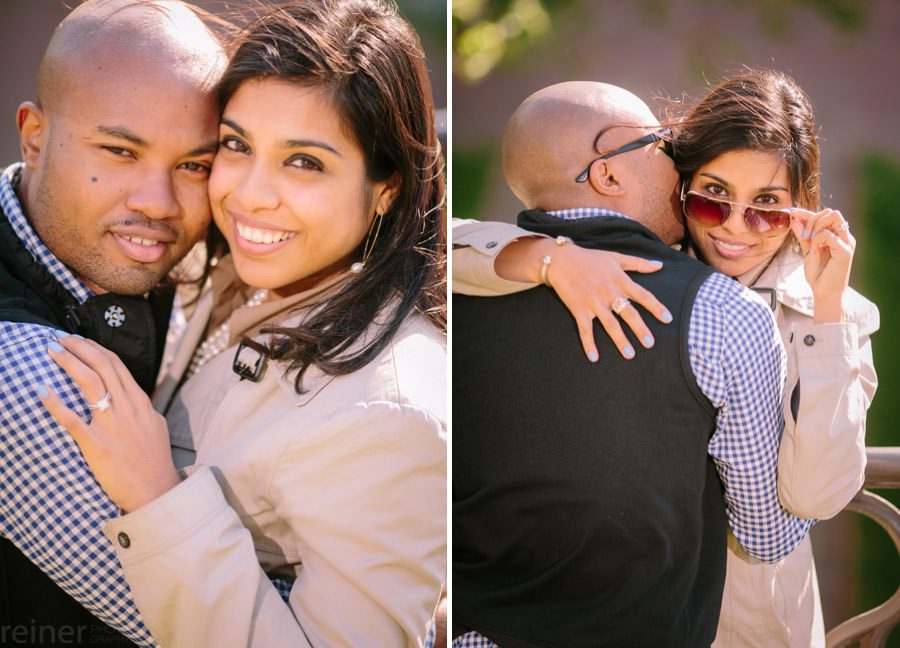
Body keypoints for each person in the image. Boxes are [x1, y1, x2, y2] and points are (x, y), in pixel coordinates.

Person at [39, 1, 447, 646]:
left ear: (387, 187)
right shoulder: (227, 273)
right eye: (236, 146)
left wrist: (156, 497)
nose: (248, 193)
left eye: (304, 161)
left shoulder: (392, 411)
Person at [454, 69, 878, 647]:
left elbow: (816, 498)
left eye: (768, 207)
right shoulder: (616, 266)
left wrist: (826, 317)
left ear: (800, 211)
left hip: (753, 618)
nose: (734, 227)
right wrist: (545, 259)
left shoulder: (838, 314)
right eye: (713, 197)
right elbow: (445, 242)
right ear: (683, 181)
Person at [0, 1, 226, 644]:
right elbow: (199, 627)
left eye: (194, 165)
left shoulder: (173, 266)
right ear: (35, 137)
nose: (158, 203)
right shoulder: (21, 371)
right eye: (121, 150)